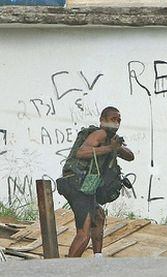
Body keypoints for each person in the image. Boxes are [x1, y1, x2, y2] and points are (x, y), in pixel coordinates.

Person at [60, 106, 134, 257]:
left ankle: (97, 259)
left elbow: (130, 156)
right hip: (76, 183)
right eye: (113, 119)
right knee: (84, 233)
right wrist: (109, 148)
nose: (117, 122)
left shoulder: (111, 140)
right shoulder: (100, 133)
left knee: (98, 216)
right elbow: (82, 152)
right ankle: (66, 269)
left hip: (86, 186)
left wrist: (116, 147)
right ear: (102, 120)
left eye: (119, 120)